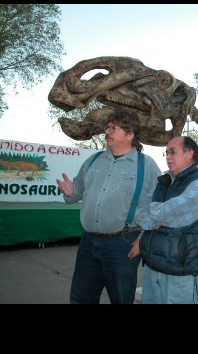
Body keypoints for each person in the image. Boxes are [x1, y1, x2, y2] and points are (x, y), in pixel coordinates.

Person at [56, 110, 161, 304]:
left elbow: (158, 206)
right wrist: (71, 192)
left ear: (130, 134)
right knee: (81, 299)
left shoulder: (146, 165)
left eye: (114, 128)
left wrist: (143, 240)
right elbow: (77, 190)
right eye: (107, 127)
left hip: (122, 246)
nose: (107, 131)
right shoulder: (93, 161)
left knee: (121, 300)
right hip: (88, 244)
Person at [136, 135, 198, 304]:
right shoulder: (163, 182)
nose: (168, 157)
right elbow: (141, 211)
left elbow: (171, 213)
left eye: (173, 151)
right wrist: (160, 215)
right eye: (166, 153)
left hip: (181, 273)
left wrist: (158, 214)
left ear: (189, 154)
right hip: (152, 268)